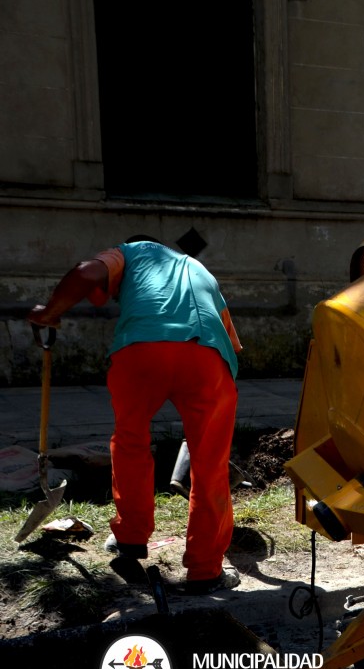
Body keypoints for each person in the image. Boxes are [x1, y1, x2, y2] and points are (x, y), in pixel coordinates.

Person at [27, 236, 243, 595]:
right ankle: (205, 571)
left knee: (130, 442)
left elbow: (86, 272)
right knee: (210, 464)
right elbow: (231, 341)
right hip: (206, 354)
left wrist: (51, 311)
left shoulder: (130, 252)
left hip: (140, 351)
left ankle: (129, 537)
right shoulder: (199, 268)